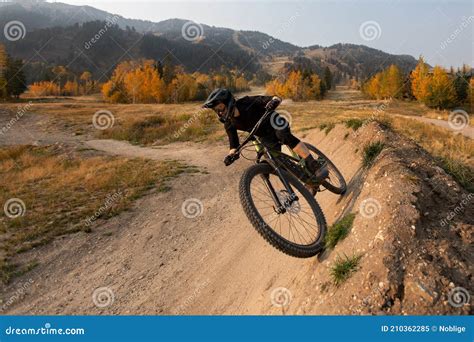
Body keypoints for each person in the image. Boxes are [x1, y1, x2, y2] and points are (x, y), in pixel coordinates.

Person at [202, 88, 328, 182]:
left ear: (228, 102)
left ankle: (314, 164)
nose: (219, 113)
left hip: (274, 122)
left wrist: (273, 101)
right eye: (216, 111)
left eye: (220, 108)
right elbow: (233, 143)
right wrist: (231, 155)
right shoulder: (229, 123)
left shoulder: (246, 102)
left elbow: (272, 98)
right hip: (264, 136)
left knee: (284, 136)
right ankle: (308, 181)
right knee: (272, 160)